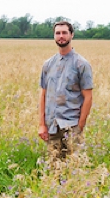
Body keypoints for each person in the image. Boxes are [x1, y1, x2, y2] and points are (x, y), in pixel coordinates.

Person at [38, 21, 93, 159]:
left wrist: (80, 126)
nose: (61, 36)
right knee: (54, 167)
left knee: (74, 167)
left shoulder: (81, 64)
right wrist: (42, 124)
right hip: (52, 126)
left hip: (71, 124)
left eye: (64, 33)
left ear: (72, 35)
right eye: (58, 33)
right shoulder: (48, 64)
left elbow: (88, 97)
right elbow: (43, 94)